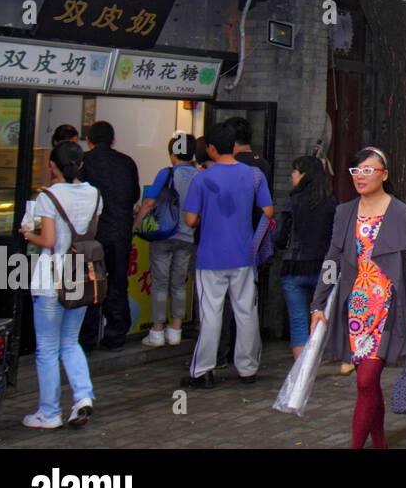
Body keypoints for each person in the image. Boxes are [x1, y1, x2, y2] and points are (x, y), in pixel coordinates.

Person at [310, 147, 406, 449]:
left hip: (386, 306)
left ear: (384, 174)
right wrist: (318, 304)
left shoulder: (402, 212)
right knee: (368, 384)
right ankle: (380, 444)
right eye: (356, 170)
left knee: (364, 381)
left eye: (368, 170)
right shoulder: (345, 211)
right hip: (354, 308)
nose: (361, 176)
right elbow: (332, 257)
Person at [182, 123, 273, 388]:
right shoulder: (253, 174)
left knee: (211, 313)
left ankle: (203, 370)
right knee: (246, 311)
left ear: (210, 148)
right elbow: (268, 211)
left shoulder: (202, 178)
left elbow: (189, 220)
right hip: (243, 255)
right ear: (234, 145)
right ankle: (247, 369)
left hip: (210, 256)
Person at [20, 142, 99, 429]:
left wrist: (29, 234)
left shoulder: (48, 197)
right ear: (79, 165)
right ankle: (83, 397)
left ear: (53, 166)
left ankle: (49, 412)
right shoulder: (94, 194)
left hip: (50, 278)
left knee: (47, 349)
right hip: (79, 275)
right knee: (70, 341)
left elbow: (50, 242)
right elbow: (86, 234)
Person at [78, 120, 139, 354]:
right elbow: (134, 194)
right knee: (117, 284)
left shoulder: (85, 162)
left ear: (89, 141)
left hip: (94, 235)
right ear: (113, 140)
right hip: (121, 233)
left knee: (92, 286)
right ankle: (115, 336)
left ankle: (88, 339)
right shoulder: (127, 162)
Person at [134, 134, 200, 348]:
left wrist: (135, 226)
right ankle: (176, 330)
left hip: (163, 236)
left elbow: (148, 203)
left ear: (173, 155)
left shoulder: (167, 173)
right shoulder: (199, 176)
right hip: (187, 236)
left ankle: (157, 331)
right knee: (179, 283)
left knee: (160, 284)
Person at [275, 156, 337, 358]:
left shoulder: (292, 201)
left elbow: (279, 236)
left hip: (295, 266)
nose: (292, 175)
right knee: (324, 316)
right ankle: (322, 358)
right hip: (326, 267)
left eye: (296, 171)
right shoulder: (332, 202)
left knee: (298, 320)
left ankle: (301, 368)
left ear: (304, 175)